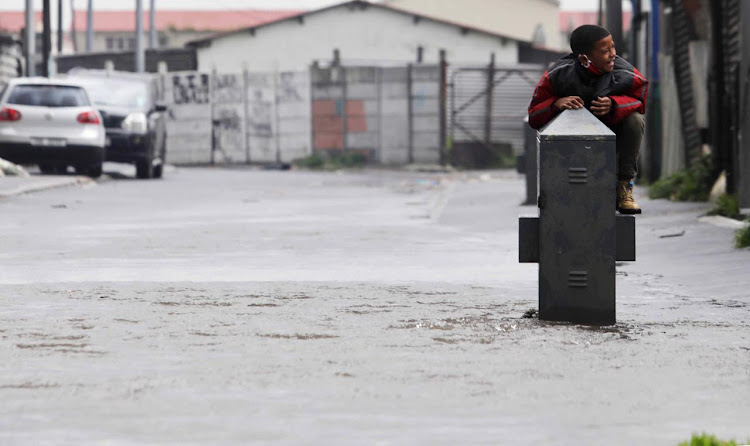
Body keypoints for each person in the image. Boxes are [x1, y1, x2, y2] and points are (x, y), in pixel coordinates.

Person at [528, 24, 648, 214]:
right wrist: (556, 103)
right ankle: (556, 192)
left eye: (613, 47)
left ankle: (625, 187)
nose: (613, 54)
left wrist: (615, 104)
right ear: (584, 58)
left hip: (613, 137)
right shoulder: (557, 75)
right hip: (570, 148)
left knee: (635, 120)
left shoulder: (626, 73)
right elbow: (534, 115)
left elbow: (640, 101)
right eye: (605, 51)